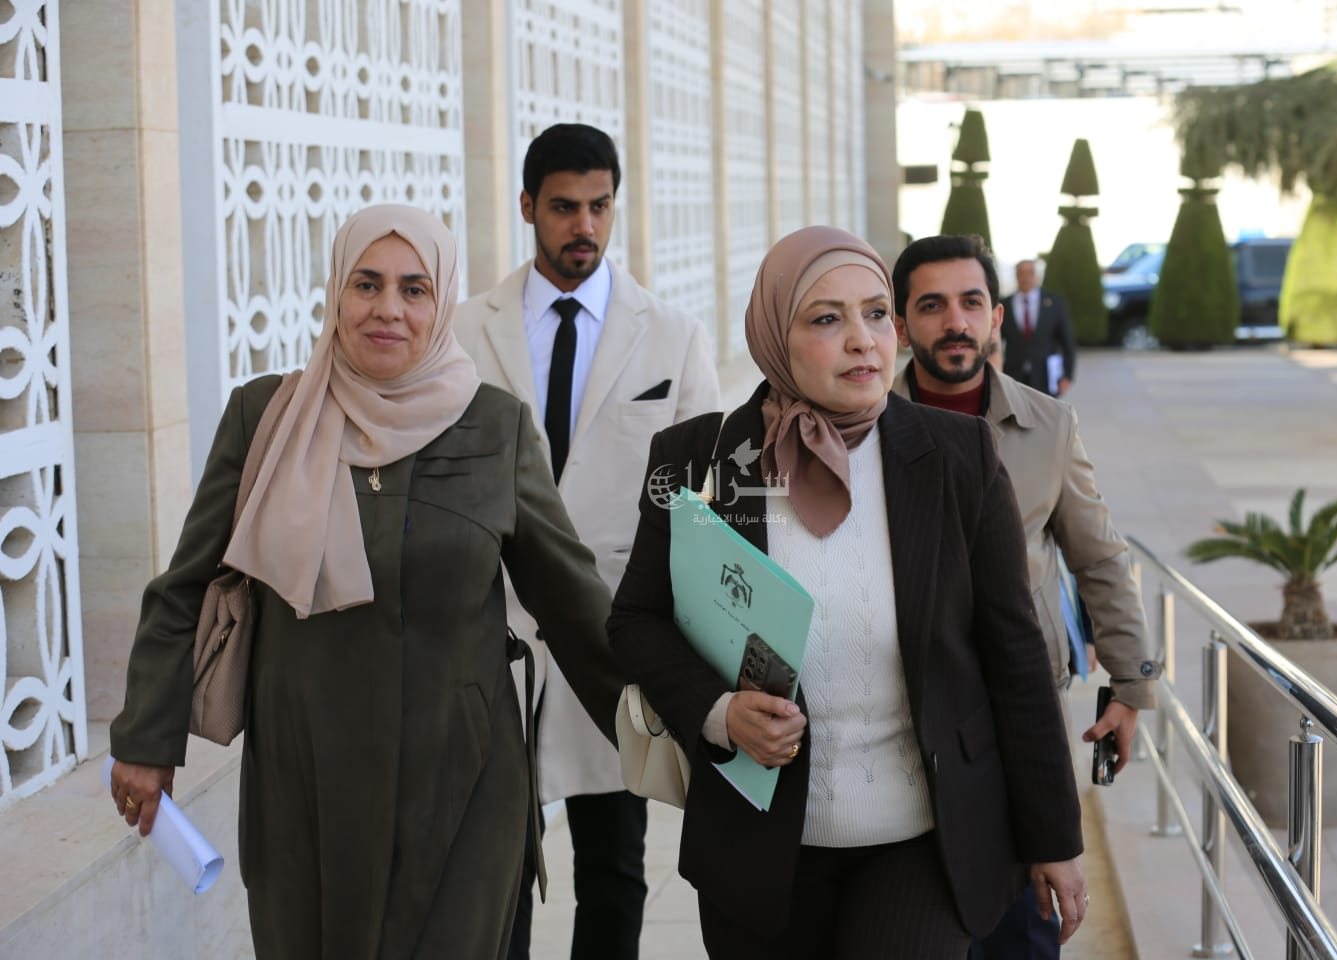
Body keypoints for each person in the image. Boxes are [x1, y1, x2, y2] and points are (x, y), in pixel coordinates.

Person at [107, 204, 625, 959]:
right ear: (336, 293)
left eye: (414, 289)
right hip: (303, 779)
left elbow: (574, 603)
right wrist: (145, 740)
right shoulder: (267, 418)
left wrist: (689, 721)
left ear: (441, 303)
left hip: (462, 778)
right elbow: (185, 586)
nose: (388, 309)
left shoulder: (495, 427)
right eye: (366, 284)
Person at [608, 225, 1087, 958]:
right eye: (827, 318)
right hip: (758, 846)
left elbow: (1014, 653)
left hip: (922, 841)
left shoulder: (958, 457)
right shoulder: (700, 459)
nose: (863, 340)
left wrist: (1054, 835)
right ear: (776, 336)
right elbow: (636, 621)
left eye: (876, 313)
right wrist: (718, 713)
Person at [454, 122, 720, 960]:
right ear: (527, 206)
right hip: (492, 638)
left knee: (613, 865)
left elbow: (704, 509)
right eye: (565, 207)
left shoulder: (672, 335)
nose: (585, 226)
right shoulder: (463, 333)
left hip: (615, 637)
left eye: (600, 206)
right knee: (496, 865)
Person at [891, 233, 1158, 959]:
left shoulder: (1049, 425)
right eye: (932, 306)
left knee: (1023, 923)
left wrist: (1131, 686)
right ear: (901, 324)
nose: (956, 322)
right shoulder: (863, 424)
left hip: (1021, 708)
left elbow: (1101, 559)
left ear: (997, 317)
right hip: (902, 711)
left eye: (971, 302)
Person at [1000, 259, 1076, 397]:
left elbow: (1067, 341)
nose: (1025, 277)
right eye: (1021, 273)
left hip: (1045, 376)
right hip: (1013, 376)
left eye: (1030, 273)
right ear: (1016, 276)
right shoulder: (1004, 305)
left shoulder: (1054, 303)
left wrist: (1068, 375)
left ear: (1036, 276)